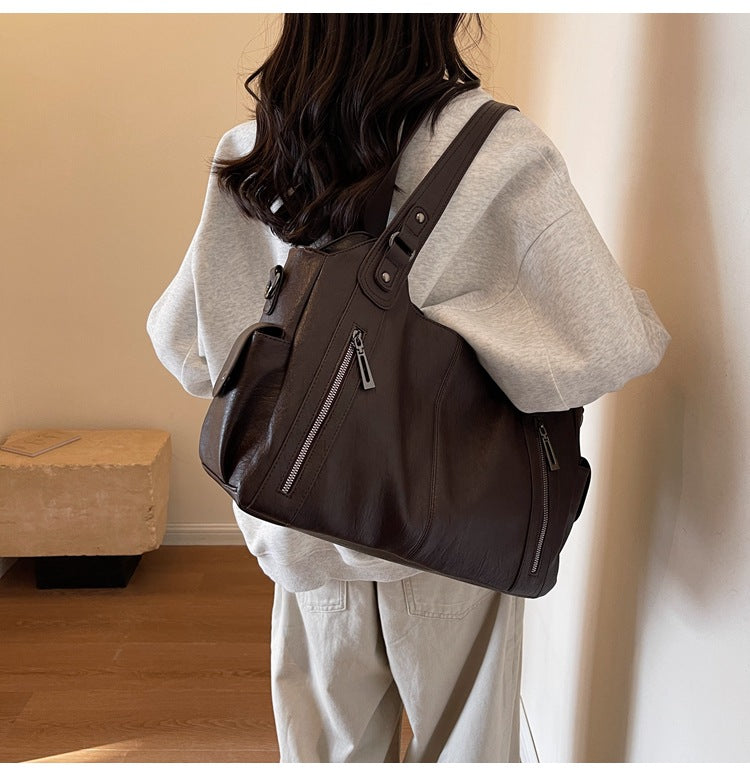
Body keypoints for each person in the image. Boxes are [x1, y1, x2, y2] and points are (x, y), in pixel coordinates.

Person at [146, 13, 671, 763]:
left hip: (300, 517)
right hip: (447, 529)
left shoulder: (256, 151)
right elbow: (600, 346)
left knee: (329, 755)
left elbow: (189, 349)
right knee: (464, 751)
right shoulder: (498, 149)